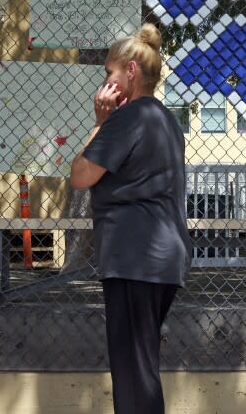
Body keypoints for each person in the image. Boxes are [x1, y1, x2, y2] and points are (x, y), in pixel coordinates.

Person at [70, 23, 192, 414]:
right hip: (163, 257)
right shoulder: (167, 120)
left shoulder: (126, 119)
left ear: (131, 72)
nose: (106, 79)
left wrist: (100, 122)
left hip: (133, 255)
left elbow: (81, 176)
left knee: (134, 373)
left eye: (110, 72)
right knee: (142, 365)